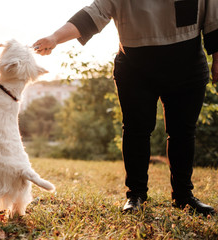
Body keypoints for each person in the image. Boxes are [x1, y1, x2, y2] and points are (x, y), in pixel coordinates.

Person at [33, 0, 217, 215]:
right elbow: (93, 14)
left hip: (186, 67)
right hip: (136, 69)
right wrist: (54, 38)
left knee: (182, 133)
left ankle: (184, 196)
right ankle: (136, 196)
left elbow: (214, 19)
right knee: (136, 131)